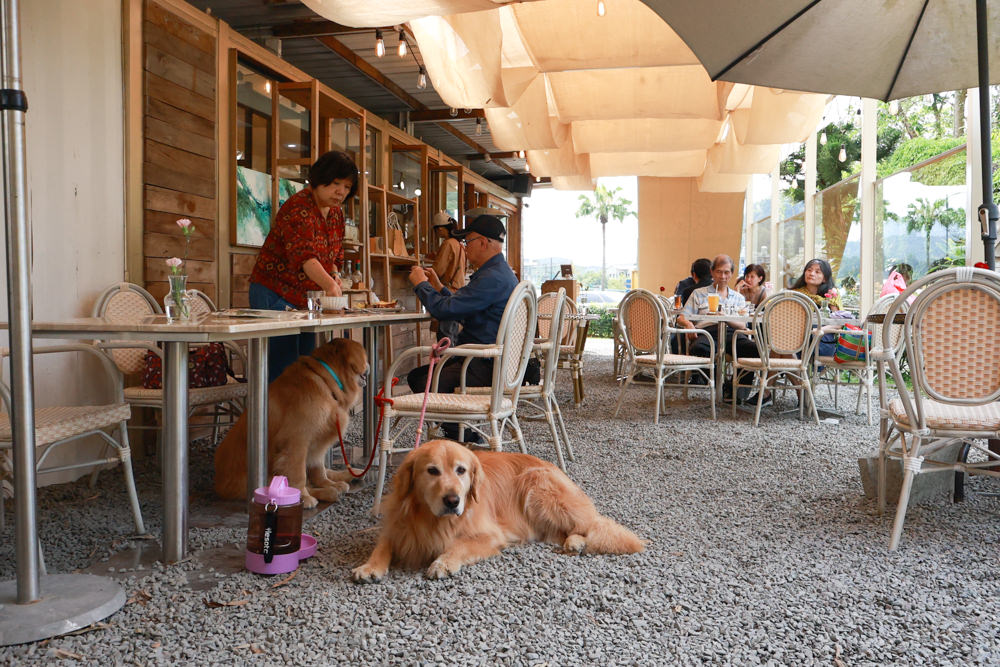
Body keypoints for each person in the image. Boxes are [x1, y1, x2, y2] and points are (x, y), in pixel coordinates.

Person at [406, 215, 537, 442]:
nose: (465, 248)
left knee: (419, 379)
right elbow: (463, 307)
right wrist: (438, 287)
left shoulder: (491, 277)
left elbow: (445, 311)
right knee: (424, 375)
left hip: (483, 366)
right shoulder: (500, 274)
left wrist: (421, 285)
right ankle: (461, 436)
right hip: (496, 364)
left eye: (468, 242)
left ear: (484, 243)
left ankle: (464, 439)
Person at [248, 150, 358, 382]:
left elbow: (335, 253)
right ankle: (274, 418)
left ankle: (300, 417)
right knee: (283, 367)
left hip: (305, 299)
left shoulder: (336, 213)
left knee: (306, 363)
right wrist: (329, 285)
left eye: (347, 187)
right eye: (336, 183)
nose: (341, 192)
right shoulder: (299, 207)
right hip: (274, 292)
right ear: (319, 180)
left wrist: (335, 275)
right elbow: (305, 257)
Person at [677, 255, 757, 398]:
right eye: (719, 272)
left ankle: (737, 392)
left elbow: (743, 324)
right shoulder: (699, 294)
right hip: (708, 332)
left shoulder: (738, 297)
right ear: (712, 272)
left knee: (755, 350)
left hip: (732, 332)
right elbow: (682, 317)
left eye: (727, 272)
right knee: (698, 348)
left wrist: (725, 318)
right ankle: (722, 384)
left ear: (732, 274)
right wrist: (689, 324)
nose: (723, 276)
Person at [429, 211, 467, 342]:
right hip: (458, 293)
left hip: (447, 294)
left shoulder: (448, 244)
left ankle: (445, 363)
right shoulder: (460, 245)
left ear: (440, 229)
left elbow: (438, 270)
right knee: (452, 336)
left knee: (445, 338)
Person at [790, 258, 841, 357]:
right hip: (797, 337)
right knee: (780, 345)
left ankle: (794, 371)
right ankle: (795, 371)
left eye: (817, 272)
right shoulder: (796, 294)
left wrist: (820, 330)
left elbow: (839, 322)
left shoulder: (831, 294)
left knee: (784, 348)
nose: (811, 273)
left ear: (825, 278)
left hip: (822, 339)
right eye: (809, 270)